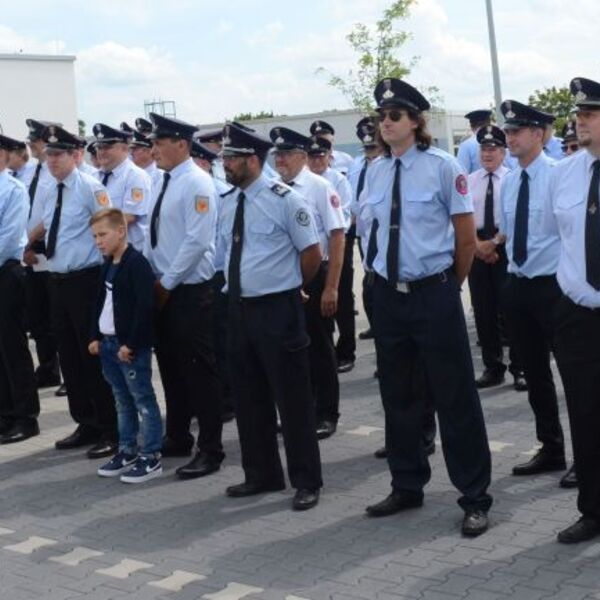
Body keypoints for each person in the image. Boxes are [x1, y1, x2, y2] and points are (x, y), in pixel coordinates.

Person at [363, 77, 493, 537]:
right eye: (382, 117)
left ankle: (475, 496)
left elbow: (464, 237)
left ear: (416, 123)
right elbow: (371, 232)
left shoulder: (442, 166)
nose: (386, 123)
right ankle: (406, 483)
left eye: (394, 116)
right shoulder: (375, 170)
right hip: (388, 296)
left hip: (433, 294)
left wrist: (445, 287)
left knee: (454, 397)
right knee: (398, 397)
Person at [218, 122, 323, 510]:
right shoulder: (228, 201)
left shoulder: (286, 199)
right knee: (248, 398)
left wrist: (289, 284)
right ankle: (261, 474)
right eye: (224, 158)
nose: (225, 165)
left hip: (278, 309)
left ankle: (306, 480)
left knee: (292, 399)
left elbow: (311, 253)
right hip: (238, 309)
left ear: (251, 160)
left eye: (231, 158)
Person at [27, 124, 118, 458]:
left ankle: (112, 428)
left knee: (92, 355)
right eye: (48, 154)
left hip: (86, 279)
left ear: (76, 155)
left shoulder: (91, 188)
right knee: (69, 355)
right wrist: (30, 242)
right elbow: (48, 226)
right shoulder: (52, 189)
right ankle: (86, 422)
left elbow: (110, 232)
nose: (51, 161)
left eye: (58, 154)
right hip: (58, 279)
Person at [144, 112, 224, 479]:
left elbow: (197, 241)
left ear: (181, 144)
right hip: (163, 287)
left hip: (190, 290)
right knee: (172, 368)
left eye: (160, 143)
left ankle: (210, 448)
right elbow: (153, 233)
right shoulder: (163, 180)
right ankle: (177, 435)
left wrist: (167, 283)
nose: (154, 149)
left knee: (199, 372)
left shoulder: (197, 182)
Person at [497, 100, 568, 479]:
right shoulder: (510, 180)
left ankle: (588, 456)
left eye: (515, 131)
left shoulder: (560, 175)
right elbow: (511, 228)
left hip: (554, 289)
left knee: (574, 376)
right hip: (519, 286)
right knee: (535, 375)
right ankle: (552, 448)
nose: (509, 138)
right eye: (507, 132)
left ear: (538, 134)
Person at [271, 126, 346, 441]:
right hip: (285, 275)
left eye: (287, 154)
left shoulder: (319, 186)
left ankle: (327, 413)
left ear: (303, 156)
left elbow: (337, 236)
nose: (280, 160)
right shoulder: (274, 188)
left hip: (316, 273)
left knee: (319, 348)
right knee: (291, 349)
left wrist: (331, 287)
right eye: (277, 155)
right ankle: (301, 410)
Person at [551, 77, 600, 543]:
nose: (579, 121)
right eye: (578, 115)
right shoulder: (565, 172)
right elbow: (557, 236)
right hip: (579, 317)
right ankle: (593, 510)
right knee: (585, 417)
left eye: (589, 114)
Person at [88, 208, 163, 483]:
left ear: (121, 231)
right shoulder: (108, 264)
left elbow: (145, 308)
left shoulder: (136, 264)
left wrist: (131, 343)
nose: (98, 241)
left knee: (142, 399)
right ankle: (127, 449)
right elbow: (100, 303)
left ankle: (152, 454)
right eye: (95, 236)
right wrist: (94, 335)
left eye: (103, 234)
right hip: (108, 346)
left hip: (128, 348)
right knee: (122, 401)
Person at [467, 125, 526, 391]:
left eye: (493, 149)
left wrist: (494, 243)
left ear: (504, 153)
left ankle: (519, 367)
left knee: (511, 309)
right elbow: (462, 216)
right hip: (476, 247)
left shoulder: (513, 179)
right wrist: (478, 245)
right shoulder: (469, 180)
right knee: (483, 310)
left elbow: (514, 218)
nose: (487, 154)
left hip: (505, 246)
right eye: (483, 148)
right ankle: (493, 367)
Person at [0, 133, 40, 444]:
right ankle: (4, 414)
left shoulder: (13, 190)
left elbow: (10, 238)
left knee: (12, 346)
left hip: (6, 272)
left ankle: (25, 417)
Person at [306, 135, 356, 373]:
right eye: (312, 156)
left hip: (335, 249)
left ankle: (346, 350)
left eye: (321, 156)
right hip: (309, 258)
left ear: (329, 157)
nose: (317, 161)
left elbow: (345, 214)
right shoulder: (300, 182)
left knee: (342, 299)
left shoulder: (337, 180)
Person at [23, 119, 63, 393]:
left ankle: (62, 372)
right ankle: (48, 368)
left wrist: (28, 241)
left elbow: (49, 218)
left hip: (50, 254)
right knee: (39, 319)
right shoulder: (34, 170)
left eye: (35, 141)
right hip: (33, 255)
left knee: (56, 318)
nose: (32, 146)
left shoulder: (54, 173)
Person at [349, 116, 383, 340]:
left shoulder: (384, 168)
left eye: (374, 148)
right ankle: (377, 326)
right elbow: (355, 200)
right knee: (369, 284)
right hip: (363, 234)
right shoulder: (356, 164)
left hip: (384, 237)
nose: (370, 153)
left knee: (380, 287)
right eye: (367, 148)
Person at [93, 123, 151, 251]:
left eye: (107, 147)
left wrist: (90, 228)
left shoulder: (135, 176)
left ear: (125, 149)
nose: (101, 152)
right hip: (102, 253)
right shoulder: (94, 177)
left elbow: (129, 217)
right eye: (99, 147)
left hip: (129, 253)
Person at [457, 110, 492, 174]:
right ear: (489, 124)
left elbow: (462, 174)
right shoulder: (501, 142)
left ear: (471, 126)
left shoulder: (466, 146)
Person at [129, 126, 163, 191]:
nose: (131, 153)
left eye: (135, 149)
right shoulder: (130, 173)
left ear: (148, 151)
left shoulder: (160, 176)